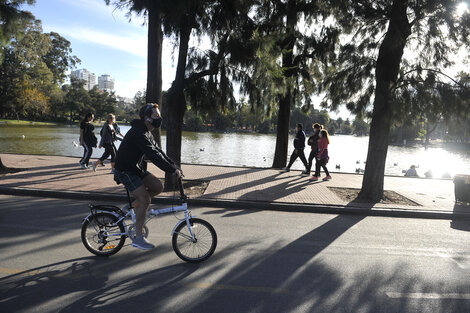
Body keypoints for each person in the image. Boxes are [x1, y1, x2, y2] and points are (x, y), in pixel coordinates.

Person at [113, 103, 182, 250]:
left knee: (158, 187)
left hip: (134, 168)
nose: (159, 118)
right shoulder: (139, 133)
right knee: (145, 199)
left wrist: (174, 166)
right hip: (125, 170)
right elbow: (152, 155)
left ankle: (133, 206)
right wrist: (170, 170)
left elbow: (159, 152)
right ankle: (138, 238)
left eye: (159, 115)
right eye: (156, 115)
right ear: (146, 118)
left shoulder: (147, 133)